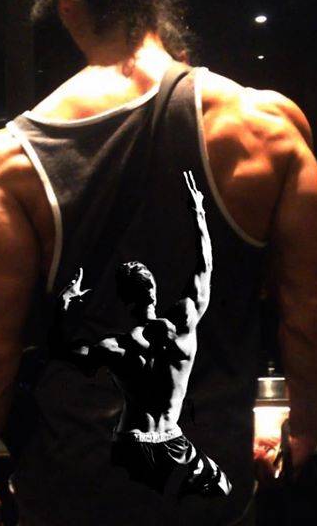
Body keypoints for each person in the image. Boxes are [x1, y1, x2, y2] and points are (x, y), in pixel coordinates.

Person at [0, 0, 317, 525]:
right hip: (209, 497)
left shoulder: (12, 163)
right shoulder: (265, 129)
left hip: (69, 497)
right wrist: (306, 424)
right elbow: (310, 313)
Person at [57, 171, 232, 498]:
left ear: (124, 301)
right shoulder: (184, 325)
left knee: (138, 507)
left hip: (130, 442)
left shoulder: (115, 347)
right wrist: (199, 212)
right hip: (171, 440)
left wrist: (63, 306)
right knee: (221, 492)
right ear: (154, 290)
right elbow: (204, 269)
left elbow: (63, 350)